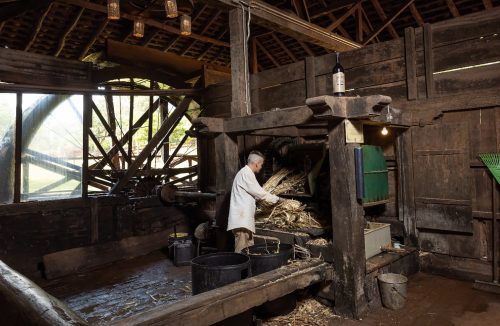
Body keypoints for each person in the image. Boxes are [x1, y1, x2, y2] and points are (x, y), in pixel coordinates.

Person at [227, 150, 281, 252]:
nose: (261, 167)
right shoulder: (246, 174)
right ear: (256, 164)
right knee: (241, 251)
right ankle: (240, 268)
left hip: (245, 221)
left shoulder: (246, 173)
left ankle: (248, 268)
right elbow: (259, 193)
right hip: (241, 222)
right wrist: (277, 199)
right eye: (261, 164)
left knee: (249, 250)